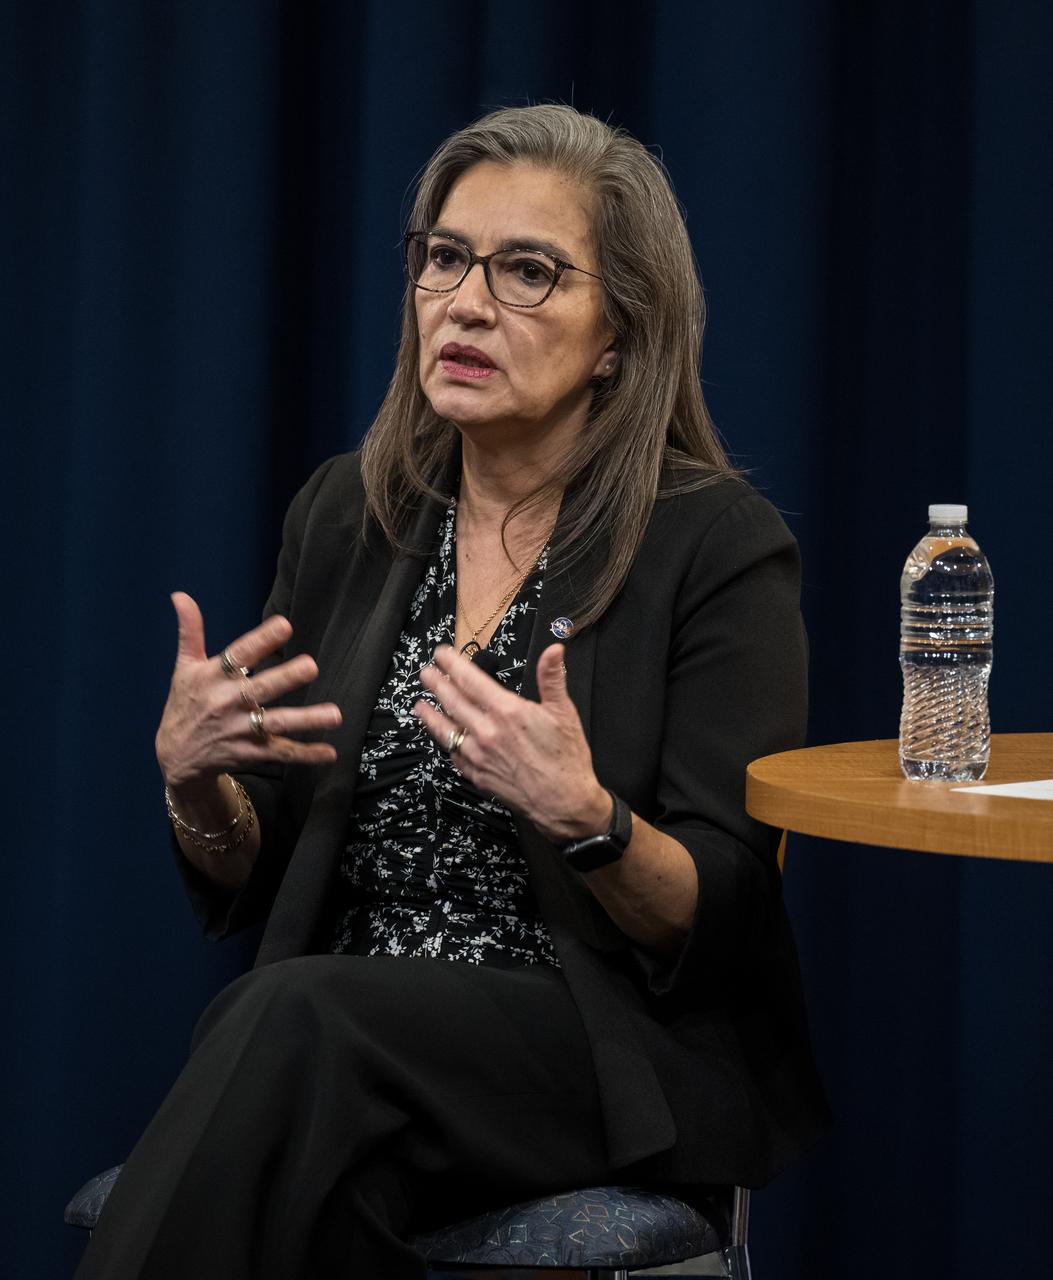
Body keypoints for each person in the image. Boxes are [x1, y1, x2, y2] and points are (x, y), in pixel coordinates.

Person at [77, 104, 828, 1280]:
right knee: (312, 1151)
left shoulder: (712, 543)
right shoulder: (351, 512)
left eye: (528, 272)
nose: (467, 303)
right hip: (353, 1048)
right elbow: (255, 866)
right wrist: (197, 783)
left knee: (278, 1022)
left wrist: (588, 819)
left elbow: (723, 912)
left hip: (587, 1043)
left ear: (620, 333)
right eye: (444, 257)